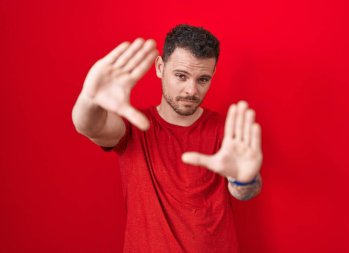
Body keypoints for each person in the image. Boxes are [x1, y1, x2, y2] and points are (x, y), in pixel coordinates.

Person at [72, 24, 263, 252]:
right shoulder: (134, 126)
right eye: (181, 76)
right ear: (160, 67)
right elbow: (90, 125)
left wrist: (244, 180)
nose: (191, 90)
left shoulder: (226, 128)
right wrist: (89, 99)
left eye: (203, 79)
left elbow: (247, 189)